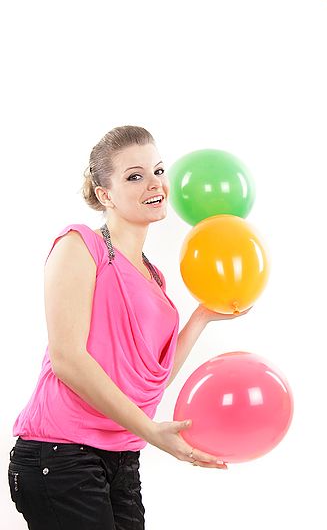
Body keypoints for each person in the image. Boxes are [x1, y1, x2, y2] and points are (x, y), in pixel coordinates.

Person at [7, 125, 251, 530]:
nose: (155, 184)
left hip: (121, 458)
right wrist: (153, 432)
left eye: (158, 171)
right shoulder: (80, 246)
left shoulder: (154, 277)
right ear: (105, 194)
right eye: (134, 176)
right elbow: (68, 359)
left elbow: (147, 382)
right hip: (60, 454)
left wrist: (202, 317)